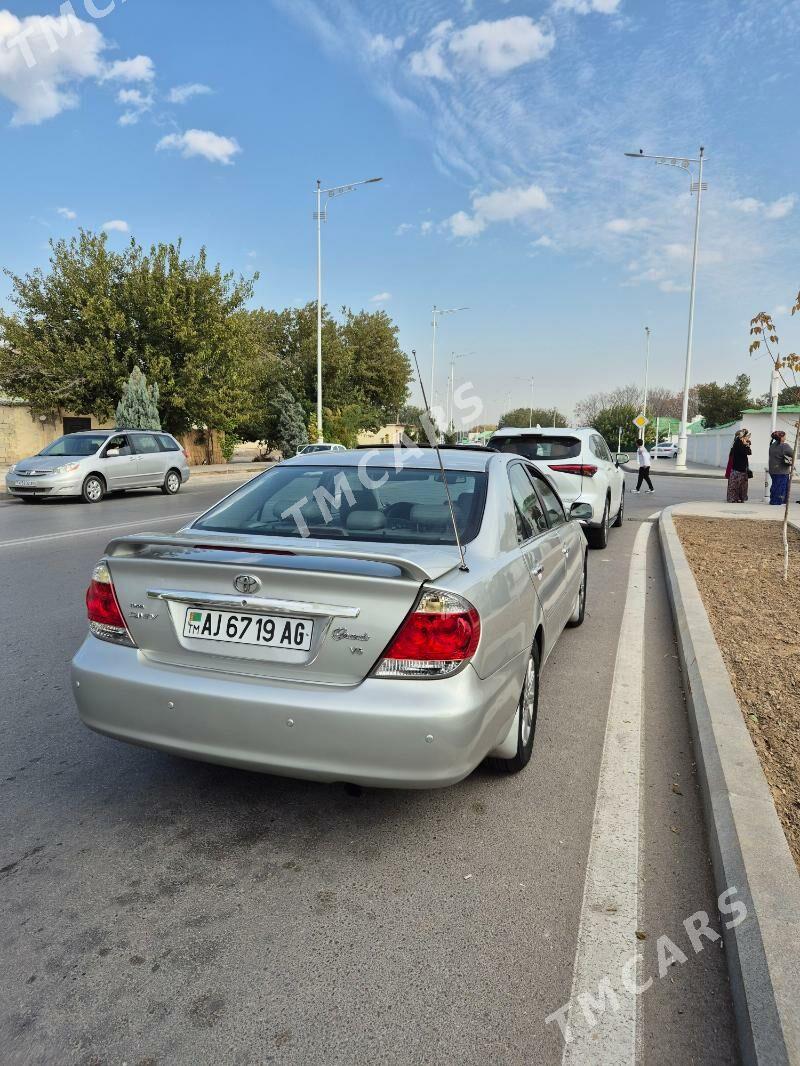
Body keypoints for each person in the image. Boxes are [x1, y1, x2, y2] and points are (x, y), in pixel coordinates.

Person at [768, 429, 793, 505]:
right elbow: (793, 454)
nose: (785, 437)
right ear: (781, 437)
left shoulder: (772, 445)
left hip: (773, 469)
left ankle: (773, 500)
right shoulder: (784, 446)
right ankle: (777, 501)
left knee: (775, 485)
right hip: (782, 470)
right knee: (781, 487)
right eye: (784, 436)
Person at [726, 428, 751, 503]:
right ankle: (734, 498)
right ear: (742, 437)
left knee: (740, 484)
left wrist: (746, 444)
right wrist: (746, 445)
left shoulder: (738, 443)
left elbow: (748, 452)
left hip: (740, 467)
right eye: (746, 436)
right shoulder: (738, 443)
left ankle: (738, 498)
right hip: (738, 468)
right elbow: (747, 452)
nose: (748, 438)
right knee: (737, 484)